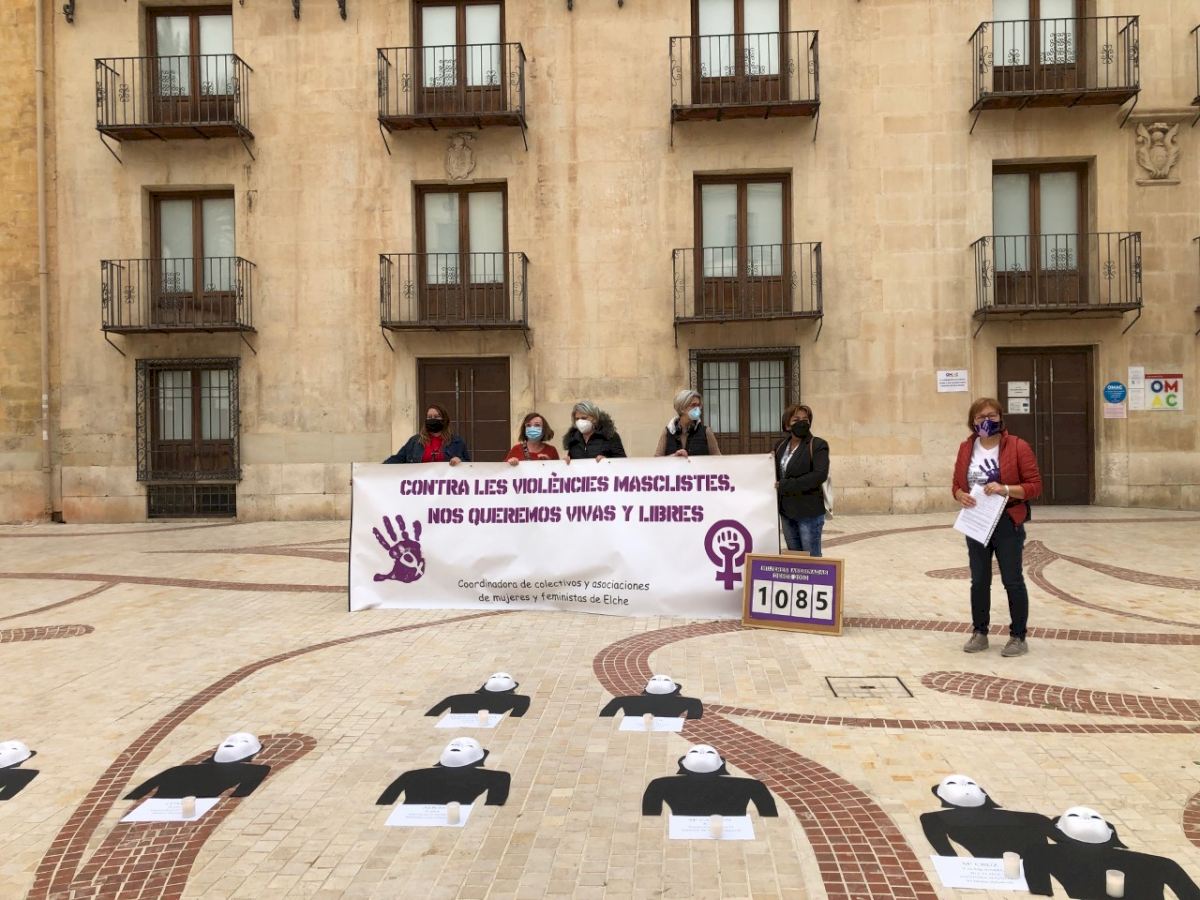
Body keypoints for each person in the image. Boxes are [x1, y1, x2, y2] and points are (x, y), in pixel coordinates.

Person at [952, 397, 1042, 657]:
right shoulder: (966, 448)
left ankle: (1018, 636)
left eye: (992, 416)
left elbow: (1035, 486)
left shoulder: (1017, 446)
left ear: (1001, 418)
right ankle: (980, 632)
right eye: (980, 417)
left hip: (1006, 520)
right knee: (979, 580)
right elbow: (956, 485)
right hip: (976, 520)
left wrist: (1005, 489)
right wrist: (960, 495)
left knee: (1012, 580)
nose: (986, 421)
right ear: (972, 421)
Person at [774, 404, 829, 557]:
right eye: (796, 420)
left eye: (805, 419)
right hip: (787, 512)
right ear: (787, 425)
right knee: (794, 558)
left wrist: (786, 485)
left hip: (808, 513)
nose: (802, 423)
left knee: (811, 559)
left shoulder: (818, 445)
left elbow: (819, 475)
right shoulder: (780, 446)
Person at [383, 404, 469, 465]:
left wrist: (460, 461)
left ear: (444, 420)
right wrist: (380, 468)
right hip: (420, 485)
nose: (432, 419)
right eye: (429, 417)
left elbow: (469, 465)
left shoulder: (457, 442)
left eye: (436, 417)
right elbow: (399, 458)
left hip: (446, 485)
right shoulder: (415, 441)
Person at [654, 390, 721, 457]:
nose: (697, 409)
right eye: (693, 405)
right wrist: (673, 456)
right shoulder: (667, 432)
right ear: (682, 408)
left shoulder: (706, 432)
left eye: (698, 405)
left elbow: (718, 458)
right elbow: (657, 459)